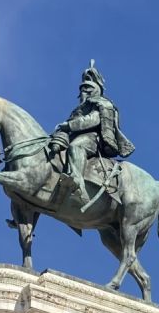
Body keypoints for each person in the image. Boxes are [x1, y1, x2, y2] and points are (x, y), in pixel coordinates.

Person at [48, 61, 134, 208]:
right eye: (82, 89)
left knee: (76, 147)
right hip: (75, 135)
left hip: (93, 139)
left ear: (95, 90)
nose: (83, 92)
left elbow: (93, 120)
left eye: (87, 88)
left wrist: (69, 125)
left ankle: (77, 183)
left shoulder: (102, 104)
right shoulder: (79, 108)